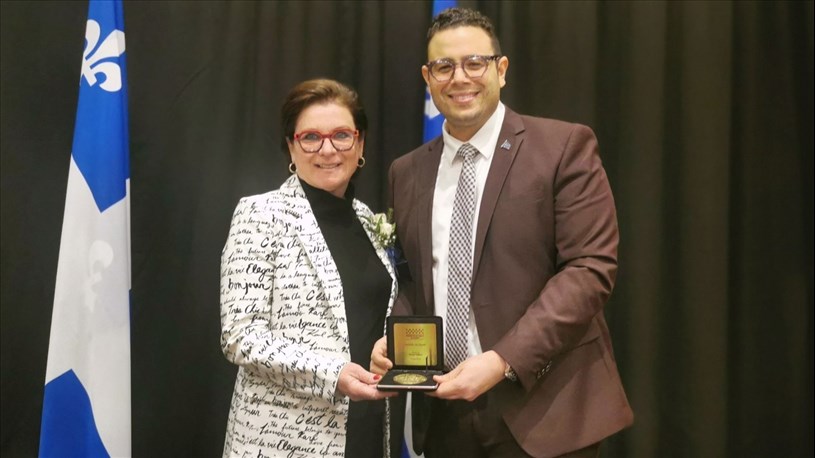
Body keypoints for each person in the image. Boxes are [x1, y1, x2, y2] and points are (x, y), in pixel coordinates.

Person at [372, 7, 633, 458]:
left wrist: (502, 360)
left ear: (502, 69)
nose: (460, 78)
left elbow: (589, 269)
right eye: (444, 66)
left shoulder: (563, 147)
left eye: (475, 62)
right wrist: (395, 340)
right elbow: (411, 278)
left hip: (545, 411)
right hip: (445, 411)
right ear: (428, 78)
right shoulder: (406, 171)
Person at [220, 78, 398, 458]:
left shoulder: (368, 220)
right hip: (285, 440)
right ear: (291, 145)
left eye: (341, 135)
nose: (327, 149)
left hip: (366, 427)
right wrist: (334, 374)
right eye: (311, 137)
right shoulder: (260, 214)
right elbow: (240, 336)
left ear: (360, 144)